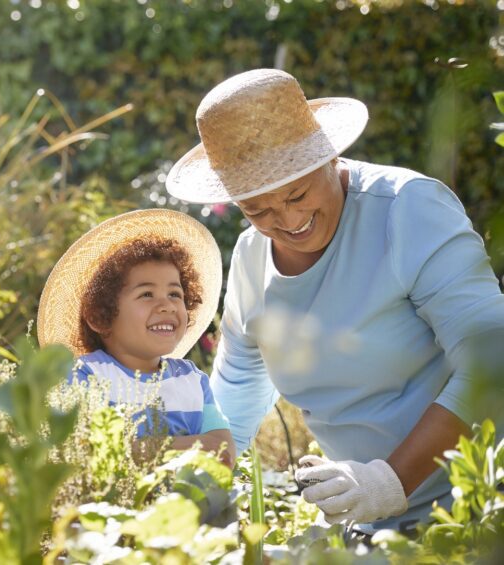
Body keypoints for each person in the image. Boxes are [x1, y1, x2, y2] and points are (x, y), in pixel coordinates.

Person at [165, 68, 504, 535]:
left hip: (482, 506)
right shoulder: (250, 258)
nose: (288, 220)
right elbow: (240, 385)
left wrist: (387, 482)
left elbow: (492, 359)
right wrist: (198, 488)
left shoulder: (407, 211)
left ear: (328, 155)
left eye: (298, 193)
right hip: (370, 523)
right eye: (257, 210)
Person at [37, 209, 236, 467]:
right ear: (100, 316)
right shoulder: (85, 376)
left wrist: (141, 448)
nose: (167, 306)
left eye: (175, 294)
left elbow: (224, 451)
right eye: (146, 295)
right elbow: (92, 454)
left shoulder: (192, 380)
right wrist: (194, 446)